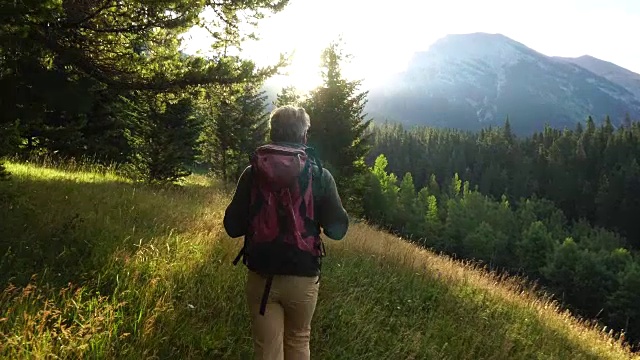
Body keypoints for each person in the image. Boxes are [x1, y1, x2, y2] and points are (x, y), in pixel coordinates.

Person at [223, 105, 349, 360]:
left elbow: (232, 227)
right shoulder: (320, 175)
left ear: (272, 133)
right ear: (304, 137)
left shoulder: (253, 173)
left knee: (267, 350)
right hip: (303, 275)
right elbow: (338, 230)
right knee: (299, 340)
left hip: (263, 274)